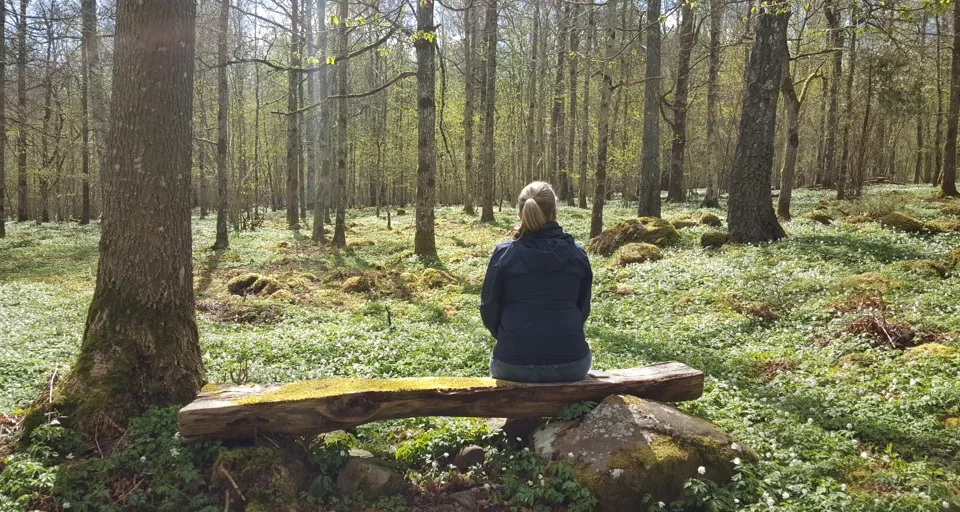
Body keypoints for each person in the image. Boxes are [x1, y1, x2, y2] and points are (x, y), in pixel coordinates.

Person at [480, 182, 593, 383]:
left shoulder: (504, 254)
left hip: (512, 364)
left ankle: (520, 415)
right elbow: (582, 307)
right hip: (572, 364)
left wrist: (512, 337)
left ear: (520, 214)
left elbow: (489, 308)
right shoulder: (577, 254)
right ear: (555, 211)